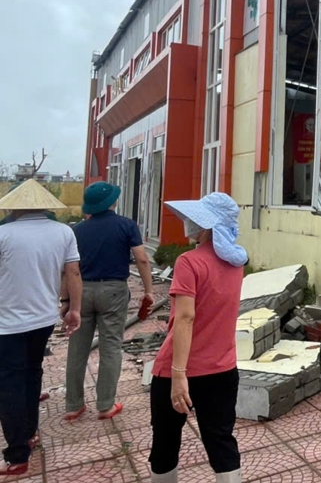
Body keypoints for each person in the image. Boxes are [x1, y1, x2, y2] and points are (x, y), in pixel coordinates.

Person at [149, 193, 247, 483]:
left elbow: (186, 317)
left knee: (165, 442)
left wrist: (179, 374)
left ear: (206, 225)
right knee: (221, 442)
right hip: (223, 368)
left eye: (195, 219)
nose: (188, 223)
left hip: (177, 369)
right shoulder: (236, 261)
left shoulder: (188, 262)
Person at [0, 180, 81, 476]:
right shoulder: (63, 232)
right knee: (32, 373)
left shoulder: (3, 234)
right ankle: (29, 433)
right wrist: (73, 308)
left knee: (9, 384)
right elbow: (72, 272)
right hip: (44, 319)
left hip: (7, 323)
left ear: (13, 206)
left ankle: (17, 455)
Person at [63, 182, 156, 421]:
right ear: (112, 202)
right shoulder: (126, 225)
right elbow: (142, 259)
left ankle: (73, 405)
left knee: (77, 348)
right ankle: (105, 405)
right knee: (111, 346)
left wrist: (66, 299)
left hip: (82, 290)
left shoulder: (77, 230)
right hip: (114, 291)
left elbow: (69, 269)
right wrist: (148, 290)